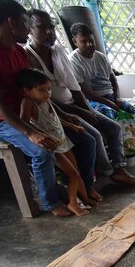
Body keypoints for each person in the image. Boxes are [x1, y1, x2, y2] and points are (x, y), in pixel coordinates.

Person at [0, 0, 71, 217]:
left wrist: (61, 116)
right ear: (11, 22)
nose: (28, 29)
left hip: (28, 112)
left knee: (73, 136)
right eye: (25, 23)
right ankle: (51, 202)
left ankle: (75, 186)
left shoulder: (18, 51)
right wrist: (30, 132)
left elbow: (33, 91)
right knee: (41, 150)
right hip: (1, 121)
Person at [25, 10, 135, 186]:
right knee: (93, 135)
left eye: (52, 27)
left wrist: (87, 109)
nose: (50, 32)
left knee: (113, 127)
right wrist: (81, 111)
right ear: (29, 29)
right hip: (55, 111)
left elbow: (74, 86)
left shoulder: (57, 50)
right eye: (43, 28)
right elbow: (44, 98)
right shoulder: (28, 56)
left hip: (74, 103)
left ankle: (119, 169)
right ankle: (106, 173)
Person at [17, 68, 96, 216]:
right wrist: (39, 134)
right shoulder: (28, 102)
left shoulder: (46, 101)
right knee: (72, 174)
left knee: (76, 172)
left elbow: (55, 120)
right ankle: (73, 203)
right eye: (42, 90)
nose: (47, 93)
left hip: (62, 141)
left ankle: (84, 199)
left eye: (49, 89)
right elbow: (24, 122)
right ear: (27, 90)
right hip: (52, 146)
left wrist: (72, 126)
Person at [68, 23, 135, 126]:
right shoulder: (73, 60)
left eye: (91, 40)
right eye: (84, 41)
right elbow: (83, 91)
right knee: (111, 116)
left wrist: (117, 97)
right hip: (93, 101)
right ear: (75, 41)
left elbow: (113, 78)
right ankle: (121, 141)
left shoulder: (101, 57)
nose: (89, 44)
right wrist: (107, 102)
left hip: (111, 96)